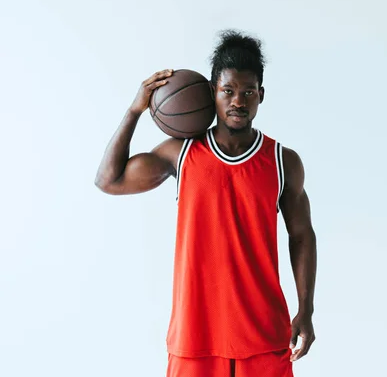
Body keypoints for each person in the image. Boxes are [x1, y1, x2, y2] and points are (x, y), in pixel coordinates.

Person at [94, 30, 317, 377]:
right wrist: (135, 109)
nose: (238, 101)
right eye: (228, 91)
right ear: (213, 92)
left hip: (263, 334)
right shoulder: (180, 153)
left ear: (261, 95)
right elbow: (109, 180)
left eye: (248, 92)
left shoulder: (282, 161)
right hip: (194, 336)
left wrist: (306, 309)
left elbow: (302, 235)